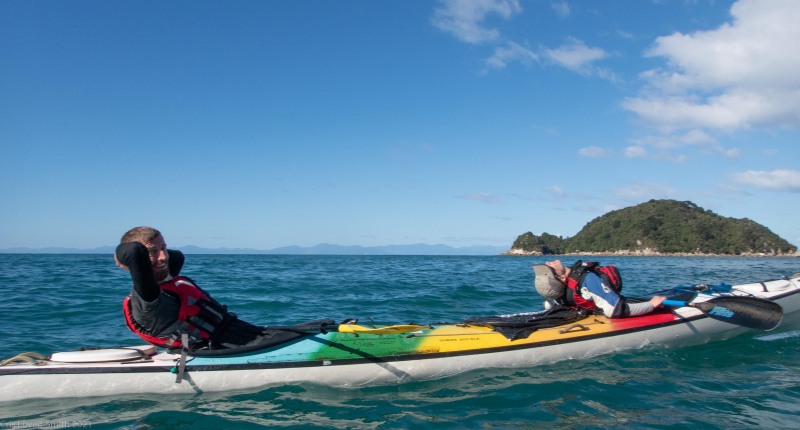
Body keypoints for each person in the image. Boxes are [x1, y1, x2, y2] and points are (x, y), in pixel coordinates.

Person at [114, 226, 327, 351]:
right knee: (318, 339)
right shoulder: (147, 300)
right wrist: (126, 259)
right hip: (221, 348)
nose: (163, 257)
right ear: (137, 260)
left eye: (164, 248)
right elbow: (132, 251)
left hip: (241, 333)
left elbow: (176, 256)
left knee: (322, 326)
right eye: (152, 252)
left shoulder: (171, 280)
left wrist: (155, 252)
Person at [533, 260, 666, 318]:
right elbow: (615, 311)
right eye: (550, 269)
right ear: (562, 278)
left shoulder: (579, 279)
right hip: (613, 307)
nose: (548, 263)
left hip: (604, 302)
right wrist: (651, 304)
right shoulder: (588, 279)